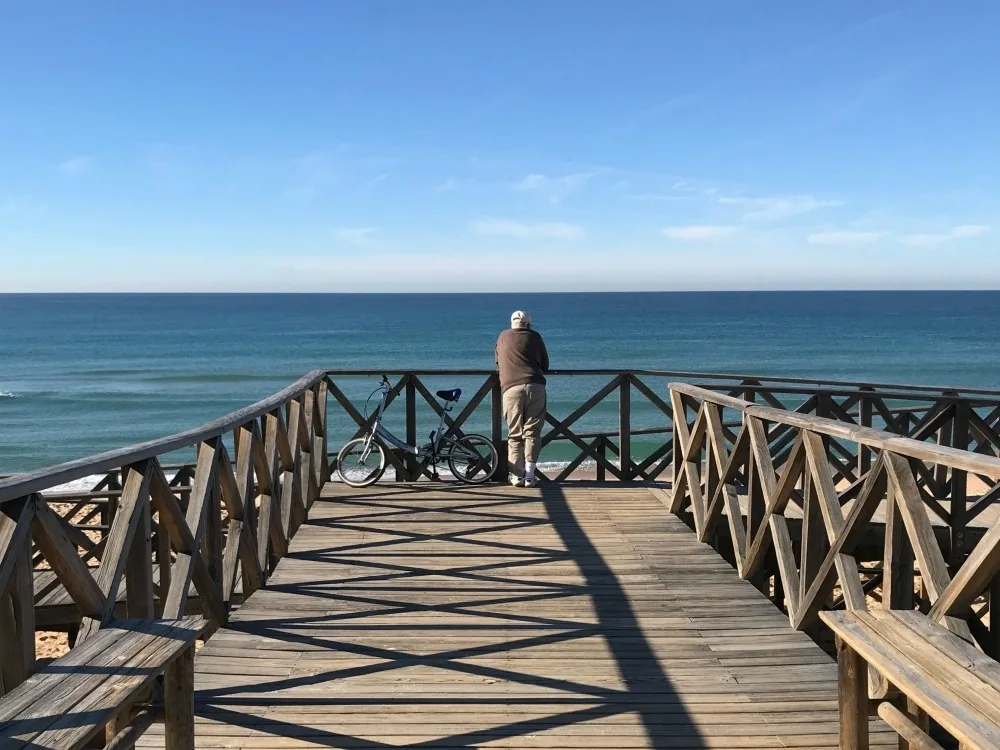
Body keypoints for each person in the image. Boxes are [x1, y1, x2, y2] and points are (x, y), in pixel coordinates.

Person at [495, 310, 549, 487]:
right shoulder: (535, 337)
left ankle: (516, 475)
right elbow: (545, 364)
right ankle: (530, 476)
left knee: (514, 433)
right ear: (528, 324)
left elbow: (498, 362)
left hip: (511, 389)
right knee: (532, 432)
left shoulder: (503, 337)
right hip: (535, 386)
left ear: (512, 324)